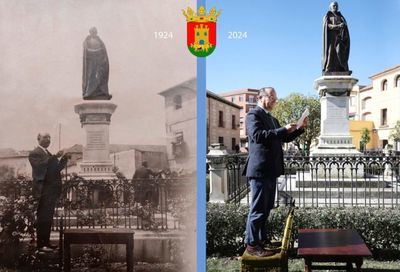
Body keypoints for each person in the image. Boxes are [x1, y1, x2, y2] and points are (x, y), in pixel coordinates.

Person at [243, 87, 308, 257]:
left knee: (266, 207)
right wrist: (283, 129)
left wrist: (299, 128)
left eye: (275, 98)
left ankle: (262, 240)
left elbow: (283, 137)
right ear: (261, 97)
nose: (274, 100)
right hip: (260, 170)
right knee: (257, 209)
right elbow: (258, 135)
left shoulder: (272, 118)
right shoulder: (253, 115)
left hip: (270, 170)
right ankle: (251, 244)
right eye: (272, 97)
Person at [28, 133, 70, 252]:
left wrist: (64, 158)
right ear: (38, 139)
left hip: (50, 191)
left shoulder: (48, 154)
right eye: (45, 137)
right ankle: (41, 245)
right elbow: (40, 167)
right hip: (43, 191)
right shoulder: (35, 153)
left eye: (49, 137)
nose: (48, 139)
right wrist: (55, 156)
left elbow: (56, 169)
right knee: (43, 218)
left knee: (48, 218)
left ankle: (46, 243)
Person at [82, 27, 111, 100]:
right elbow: (87, 51)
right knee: (92, 76)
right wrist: (95, 52)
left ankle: (101, 91)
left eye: (95, 31)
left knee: (100, 76)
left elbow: (103, 51)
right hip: (91, 63)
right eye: (93, 31)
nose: (94, 33)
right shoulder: (87, 41)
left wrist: (101, 56)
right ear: (90, 32)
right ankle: (89, 92)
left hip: (100, 62)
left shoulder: (99, 41)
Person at [322, 1, 350, 75]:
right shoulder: (328, 16)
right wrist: (337, 26)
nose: (335, 7)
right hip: (331, 38)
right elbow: (328, 26)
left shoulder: (341, 17)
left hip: (340, 37)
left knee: (340, 53)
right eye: (334, 5)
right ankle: (328, 69)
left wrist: (343, 25)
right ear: (330, 7)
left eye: (336, 6)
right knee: (331, 52)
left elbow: (345, 25)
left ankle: (343, 68)